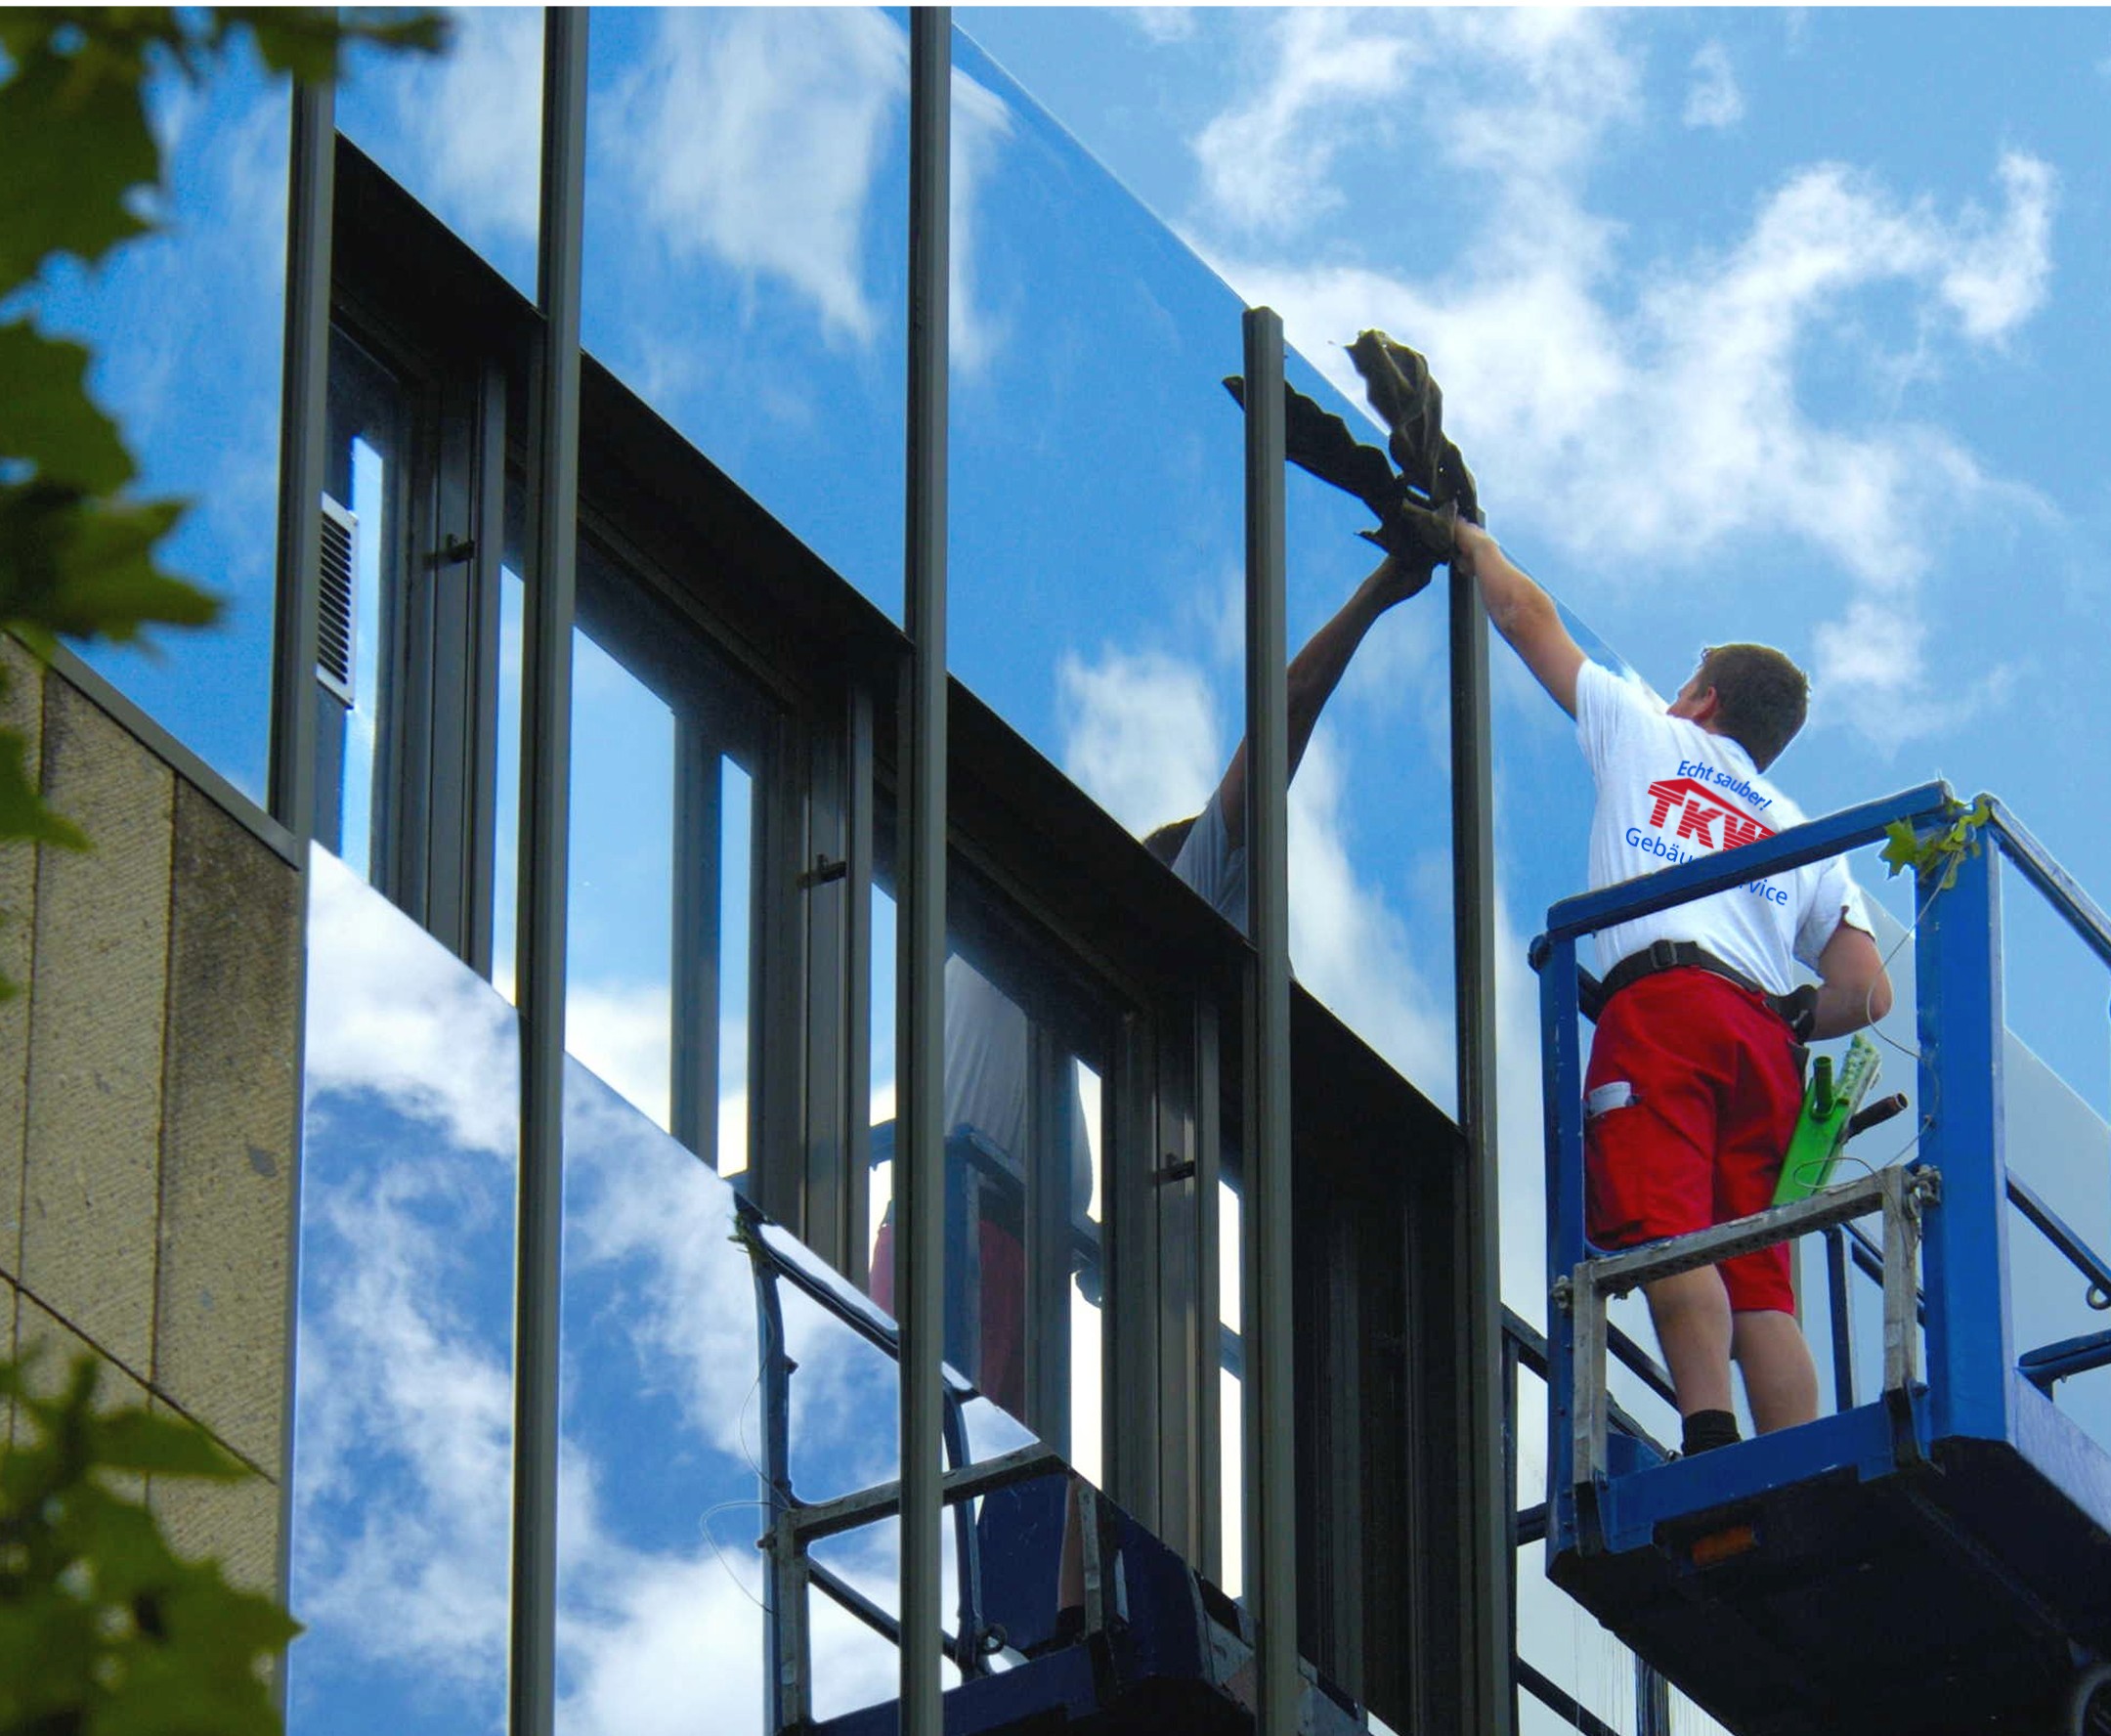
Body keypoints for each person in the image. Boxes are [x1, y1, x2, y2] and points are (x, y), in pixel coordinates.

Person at [1449, 516, 1893, 1455]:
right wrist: (1788, 1017)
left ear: (1700, 698)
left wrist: (1471, 540)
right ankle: (1795, 1464)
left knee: (1667, 1231)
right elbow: (1866, 994)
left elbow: (1525, 614)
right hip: (1766, 1042)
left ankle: (1709, 1436)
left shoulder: (1647, 728)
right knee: (1762, 1282)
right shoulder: (1795, 828)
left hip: (1662, 1012)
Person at [1146, 548, 1432, 920]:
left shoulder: (1237, 938)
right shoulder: (1188, 890)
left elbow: (1289, 707)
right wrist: (1379, 589)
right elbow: (1290, 705)